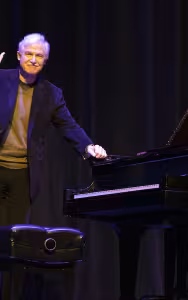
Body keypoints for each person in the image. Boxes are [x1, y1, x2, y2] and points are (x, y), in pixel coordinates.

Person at [0, 33, 107, 299]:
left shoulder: (51, 94)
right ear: (18, 55)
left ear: (45, 61)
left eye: (39, 56)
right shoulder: (1, 80)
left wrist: (88, 147)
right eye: (28, 54)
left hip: (22, 177)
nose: (33, 60)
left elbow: (69, 126)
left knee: (12, 247)